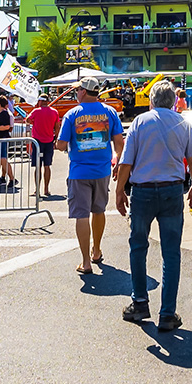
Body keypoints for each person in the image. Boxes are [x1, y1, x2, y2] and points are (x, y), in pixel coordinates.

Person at [115, 80, 192, 331]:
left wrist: (119, 191)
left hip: (142, 191)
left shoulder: (140, 122)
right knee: (171, 252)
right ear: (174, 101)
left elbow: (126, 162)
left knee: (138, 247)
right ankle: (167, 313)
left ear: (151, 100)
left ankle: (140, 302)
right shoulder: (182, 123)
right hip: (172, 190)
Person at [57, 78, 124, 274]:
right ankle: (96, 250)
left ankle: (86, 262)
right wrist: (119, 162)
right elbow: (119, 142)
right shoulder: (110, 112)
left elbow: (61, 145)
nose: (76, 93)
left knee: (82, 215)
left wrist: (58, 142)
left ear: (84, 92)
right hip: (102, 171)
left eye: (78, 90)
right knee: (99, 210)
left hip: (79, 172)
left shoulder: (72, 114)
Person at [27, 94, 60, 199]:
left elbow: (27, 120)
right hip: (49, 141)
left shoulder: (36, 111)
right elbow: (57, 127)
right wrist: (56, 139)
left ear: (40, 101)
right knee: (47, 165)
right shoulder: (54, 112)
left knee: (38, 166)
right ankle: (46, 189)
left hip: (37, 142)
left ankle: (37, 190)